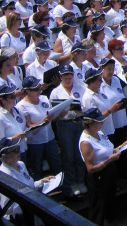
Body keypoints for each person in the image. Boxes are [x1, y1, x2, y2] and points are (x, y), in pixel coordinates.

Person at [79, 108, 127, 226]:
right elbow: (91, 168)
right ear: (90, 123)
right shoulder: (86, 142)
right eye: (98, 121)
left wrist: (120, 147)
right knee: (99, 207)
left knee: (108, 202)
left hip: (109, 173)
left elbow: (108, 150)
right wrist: (109, 160)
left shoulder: (99, 133)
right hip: (98, 177)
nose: (102, 123)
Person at [49, 64, 86, 199]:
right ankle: (71, 183)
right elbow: (52, 115)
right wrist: (59, 113)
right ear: (60, 77)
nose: (68, 77)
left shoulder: (81, 88)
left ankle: (80, 180)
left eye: (69, 75)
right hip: (64, 124)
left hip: (79, 122)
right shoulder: (55, 92)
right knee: (68, 155)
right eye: (65, 75)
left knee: (79, 154)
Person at [0, 137, 54, 221]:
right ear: (6, 158)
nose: (19, 152)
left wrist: (42, 182)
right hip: (19, 217)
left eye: (18, 148)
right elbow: (9, 207)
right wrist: (34, 202)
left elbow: (30, 185)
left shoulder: (20, 164)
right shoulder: (5, 174)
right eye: (15, 150)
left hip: (31, 207)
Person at [0, 85, 28, 162]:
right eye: (11, 97)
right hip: (10, 158)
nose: (15, 98)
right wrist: (14, 138)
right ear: (2, 99)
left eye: (14, 95)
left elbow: (24, 126)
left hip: (23, 150)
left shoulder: (16, 111)